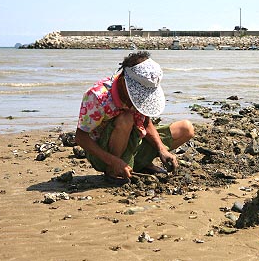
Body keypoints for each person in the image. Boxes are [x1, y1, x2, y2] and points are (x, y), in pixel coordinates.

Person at [75, 50, 194, 182]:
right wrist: (113, 161)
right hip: (104, 153)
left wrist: (162, 149)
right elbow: (81, 137)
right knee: (126, 118)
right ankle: (114, 170)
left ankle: (137, 165)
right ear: (122, 81)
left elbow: (145, 123)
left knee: (186, 128)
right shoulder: (97, 97)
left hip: (134, 140)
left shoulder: (142, 91)